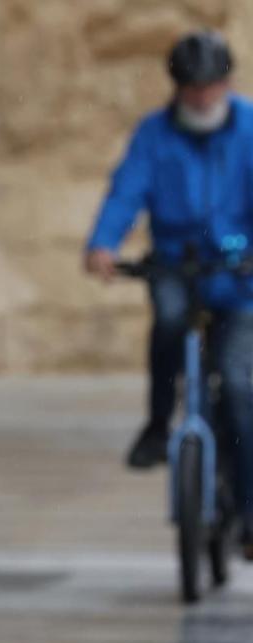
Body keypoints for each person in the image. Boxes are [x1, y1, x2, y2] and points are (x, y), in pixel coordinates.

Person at [85, 30, 253, 547]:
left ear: (225, 84)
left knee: (241, 384)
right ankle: (158, 424)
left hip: (239, 273)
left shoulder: (249, 128)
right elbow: (127, 189)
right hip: (177, 264)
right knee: (170, 325)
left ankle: (249, 509)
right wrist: (103, 243)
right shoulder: (154, 134)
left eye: (210, 87)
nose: (201, 98)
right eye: (191, 88)